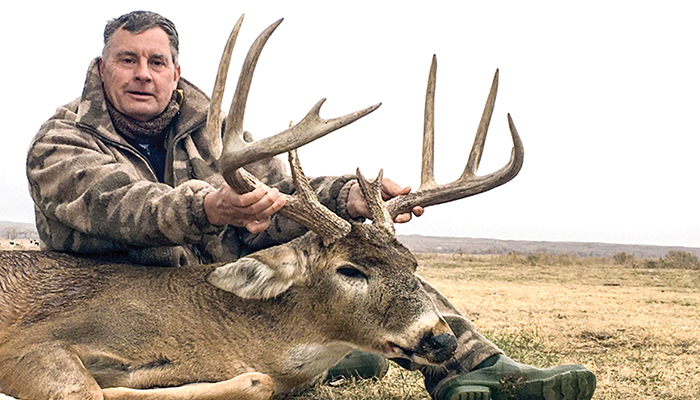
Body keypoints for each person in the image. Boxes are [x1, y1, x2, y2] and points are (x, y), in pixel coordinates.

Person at [26, 11, 596, 400]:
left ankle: (478, 368)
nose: (142, 74)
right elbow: (111, 204)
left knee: (363, 254)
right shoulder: (62, 140)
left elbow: (281, 190)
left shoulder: (212, 133)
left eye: (156, 62)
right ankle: (327, 353)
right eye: (127, 60)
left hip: (213, 289)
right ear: (102, 67)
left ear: (176, 72)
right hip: (113, 294)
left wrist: (348, 199)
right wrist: (208, 208)